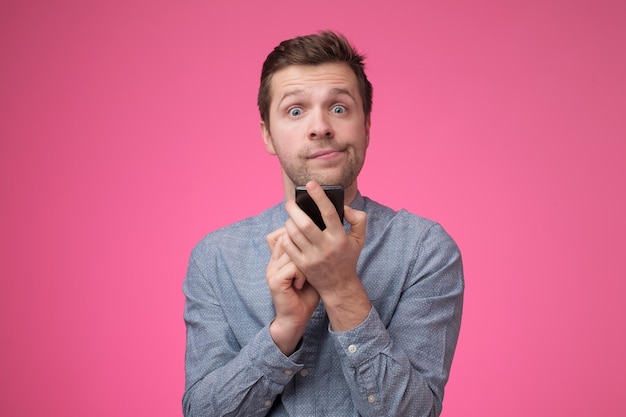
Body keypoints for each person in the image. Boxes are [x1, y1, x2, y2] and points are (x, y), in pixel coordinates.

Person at [182, 31, 464, 417]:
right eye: (295, 111)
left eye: (339, 108)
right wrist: (283, 332)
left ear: (366, 125)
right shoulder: (216, 257)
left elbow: (415, 413)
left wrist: (342, 289)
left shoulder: (424, 249)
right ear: (267, 133)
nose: (320, 128)